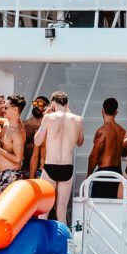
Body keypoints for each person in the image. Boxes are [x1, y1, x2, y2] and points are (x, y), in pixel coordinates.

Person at [33, 91, 84, 223]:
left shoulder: (48, 118)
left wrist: (45, 118)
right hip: (67, 167)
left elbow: (37, 141)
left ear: (53, 103)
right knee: (61, 210)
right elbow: (80, 142)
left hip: (50, 167)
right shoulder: (78, 119)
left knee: (44, 211)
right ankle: (65, 243)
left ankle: (42, 242)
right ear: (67, 104)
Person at [87, 97, 126, 199]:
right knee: (114, 207)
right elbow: (124, 153)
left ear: (102, 111)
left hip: (104, 174)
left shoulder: (102, 131)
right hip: (118, 173)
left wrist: (89, 175)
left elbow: (94, 156)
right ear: (116, 112)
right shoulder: (122, 131)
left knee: (97, 206)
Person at [0, 95, 27, 193]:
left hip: (10, 175)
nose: (3, 109)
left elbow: (18, 158)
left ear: (15, 109)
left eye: (6, 108)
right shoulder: (6, 122)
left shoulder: (16, 132)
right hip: (4, 174)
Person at [23, 95, 49, 177]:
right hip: (26, 168)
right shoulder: (25, 124)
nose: (36, 105)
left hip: (44, 168)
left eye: (40, 104)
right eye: (35, 103)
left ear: (46, 107)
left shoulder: (49, 125)